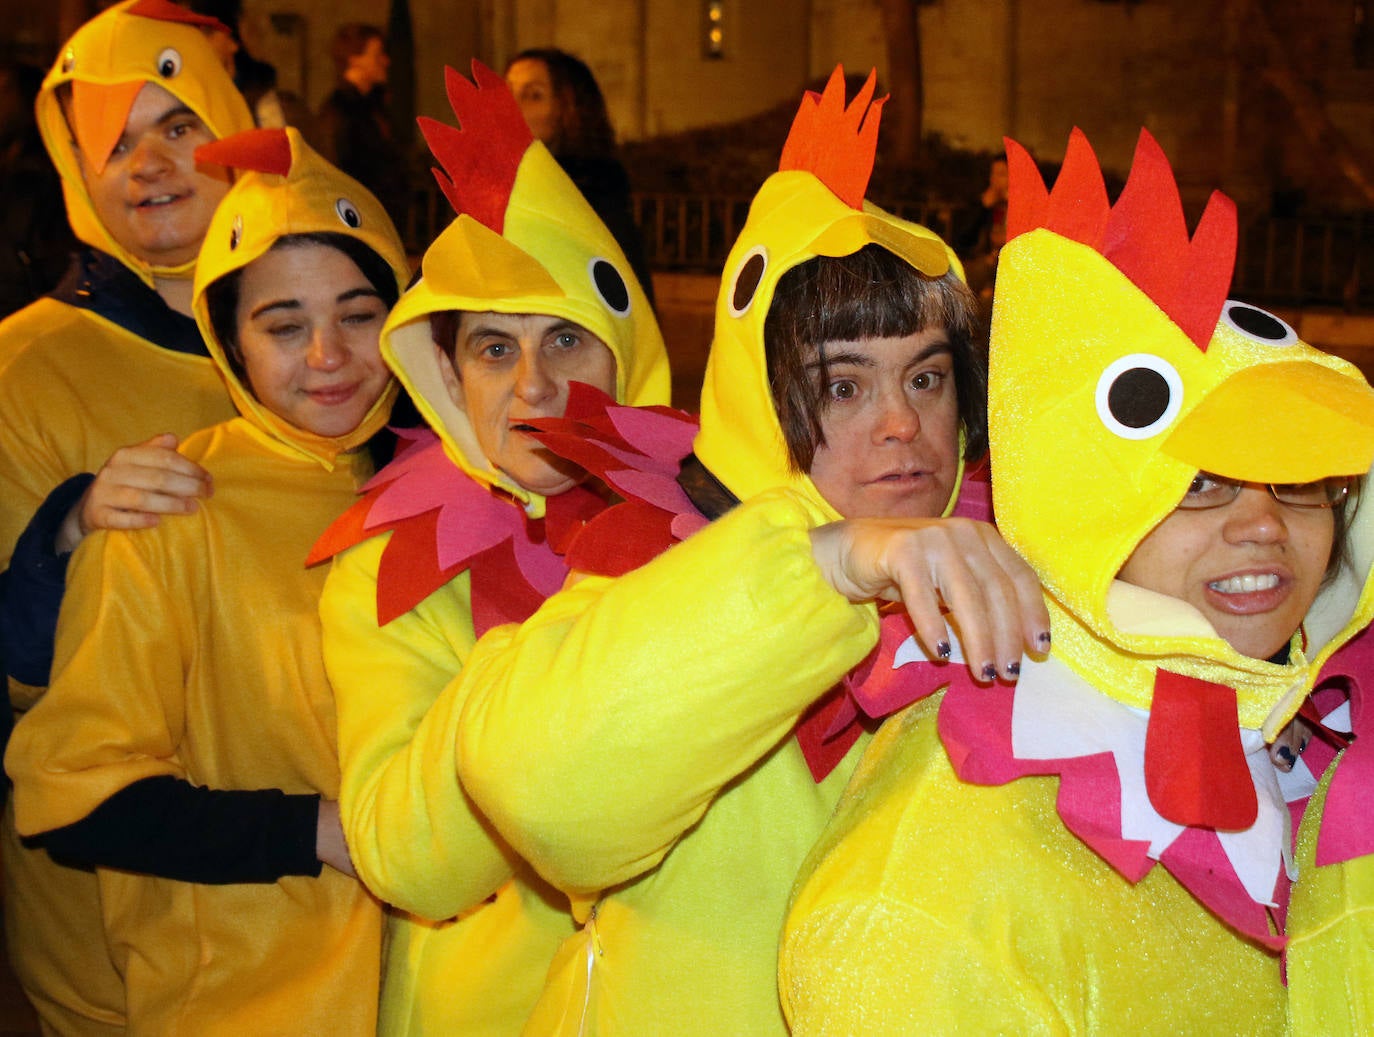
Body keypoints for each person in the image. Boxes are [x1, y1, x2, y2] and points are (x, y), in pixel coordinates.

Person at [451, 67, 1046, 1035]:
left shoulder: (1013, 568)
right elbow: (544, 798)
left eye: (928, 376)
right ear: (754, 394)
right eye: (843, 386)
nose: (903, 424)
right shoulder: (648, 558)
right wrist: (828, 563)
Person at [779, 128, 1374, 1034]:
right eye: (1196, 483)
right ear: (1076, 507)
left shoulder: (1314, 731)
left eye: (1297, 477)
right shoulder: (934, 892)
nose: (1263, 524)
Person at [6, 125, 409, 1034]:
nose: (328, 357)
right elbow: (70, 794)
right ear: (227, 338)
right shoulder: (169, 507)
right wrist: (318, 830)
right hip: (241, 1007)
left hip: (430, 998)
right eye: (284, 325)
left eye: (357, 313)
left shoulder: (444, 488)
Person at [309, 61, 670, 1034]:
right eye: (495, 349)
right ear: (448, 373)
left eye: (566, 341)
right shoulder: (392, 565)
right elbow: (396, 847)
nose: (533, 390)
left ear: (624, 349)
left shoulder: (714, 519)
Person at [0, 2, 254, 1030]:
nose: (148, 161)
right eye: (109, 139)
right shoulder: (24, 365)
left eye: (180, 123)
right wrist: (67, 531)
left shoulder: (333, 337)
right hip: (114, 940)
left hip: (319, 889)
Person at [505, 47, 654, 305]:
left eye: (533, 95)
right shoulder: (482, 185)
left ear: (569, 108)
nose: (511, 106)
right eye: (506, 92)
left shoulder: (593, 193)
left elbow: (625, 301)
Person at [315, 23, 408, 234]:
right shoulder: (338, 111)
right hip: (361, 225)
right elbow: (335, 173)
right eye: (377, 55)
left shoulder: (374, 106)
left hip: (381, 221)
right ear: (354, 59)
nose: (386, 61)